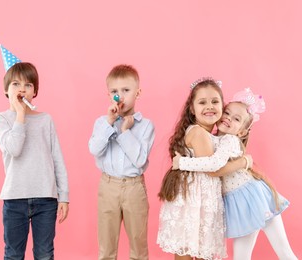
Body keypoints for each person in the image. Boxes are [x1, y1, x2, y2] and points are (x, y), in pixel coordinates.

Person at [172, 88, 297, 260]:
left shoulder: (230, 140)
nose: (229, 118)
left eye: (236, 119)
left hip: (254, 197)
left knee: (284, 252)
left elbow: (215, 168)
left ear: (242, 132)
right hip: (238, 204)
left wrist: (183, 162)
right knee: (242, 257)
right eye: (228, 113)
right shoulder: (213, 138)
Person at [157, 78, 251, 260]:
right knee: (190, 250)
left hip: (201, 201)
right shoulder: (199, 133)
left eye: (215, 102)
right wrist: (243, 162)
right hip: (195, 202)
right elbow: (213, 169)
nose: (209, 106)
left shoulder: (209, 134)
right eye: (202, 102)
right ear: (192, 109)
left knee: (196, 250)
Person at [0, 45, 69, 260]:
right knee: (14, 254)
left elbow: (57, 159)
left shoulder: (45, 120)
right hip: (14, 199)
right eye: (16, 84)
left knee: (45, 253)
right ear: (6, 89)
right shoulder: (0, 119)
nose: (22, 89)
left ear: (35, 91)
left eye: (28, 84)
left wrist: (64, 196)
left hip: (46, 199)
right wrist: (19, 115)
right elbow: (15, 149)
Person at [88, 64, 155, 260]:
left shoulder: (146, 126)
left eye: (126, 90)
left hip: (134, 187)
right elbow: (94, 149)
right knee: (106, 245)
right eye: (115, 91)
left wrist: (125, 131)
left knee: (138, 244)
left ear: (137, 92)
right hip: (108, 186)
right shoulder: (102, 122)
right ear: (109, 95)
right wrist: (110, 123)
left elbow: (140, 160)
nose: (120, 96)